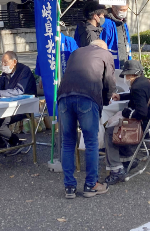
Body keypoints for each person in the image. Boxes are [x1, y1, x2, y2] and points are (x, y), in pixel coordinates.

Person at [57, 39, 115, 199]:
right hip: (88, 98)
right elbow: (109, 81)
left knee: (68, 142)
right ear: (103, 47)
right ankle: (91, 184)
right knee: (91, 142)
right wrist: (105, 100)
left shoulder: (76, 52)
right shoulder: (105, 54)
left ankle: (69, 187)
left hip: (64, 97)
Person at [103, 61, 150, 185]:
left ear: (131, 75)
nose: (126, 78)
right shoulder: (147, 81)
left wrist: (127, 113)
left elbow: (141, 113)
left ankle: (116, 169)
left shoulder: (137, 87)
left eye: (127, 75)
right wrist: (121, 97)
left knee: (112, 131)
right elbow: (137, 96)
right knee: (121, 126)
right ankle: (128, 159)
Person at [0, 51, 37, 153]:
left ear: (14, 62)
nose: (3, 65)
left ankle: (16, 143)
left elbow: (18, 91)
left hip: (23, 107)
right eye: (2, 63)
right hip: (7, 105)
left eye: (5, 62)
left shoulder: (24, 71)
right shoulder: (6, 73)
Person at [101, 4, 131, 69]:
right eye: (121, 9)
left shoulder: (124, 23)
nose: (124, 12)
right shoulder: (106, 23)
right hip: (111, 65)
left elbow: (127, 42)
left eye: (126, 9)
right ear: (113, 7)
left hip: (124, 63)